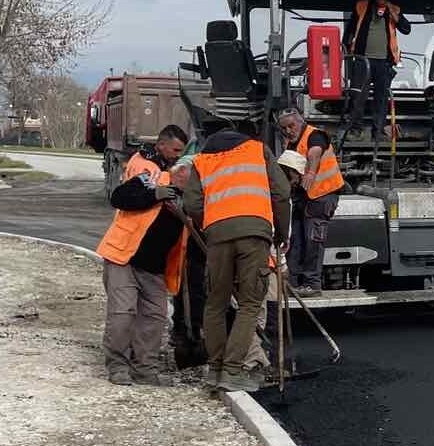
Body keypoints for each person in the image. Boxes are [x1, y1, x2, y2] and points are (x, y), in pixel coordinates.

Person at [182, 121, 291, 393]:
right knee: (250, 303)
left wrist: (211, 225)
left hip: (217, 235)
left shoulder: (201, 159)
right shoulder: (257, 150)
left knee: (215, 303)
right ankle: (233, 371)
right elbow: (282, 192)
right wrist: (281, 232)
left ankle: (215, 369)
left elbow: (191, 204)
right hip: (254, 232)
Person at [95, 125, 189, 386]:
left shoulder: (187, 197)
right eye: (176, 152)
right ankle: (118, 366)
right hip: (124, 256)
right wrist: (154, 195)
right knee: (123, 313)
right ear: (161, 145)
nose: (179, 161)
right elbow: (120, 197)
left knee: (155, 317)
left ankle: (145, 369)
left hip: (154, 266)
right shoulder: (150, 176)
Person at [276, 107, 344, 297]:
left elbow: (314, 153)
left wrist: (311, 172)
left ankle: (312, 284)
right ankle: (293, 282)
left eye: (291, 125)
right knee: (295, 239)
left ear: (300, 121)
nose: (289, 130)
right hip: (304, 198)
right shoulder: (291, 143)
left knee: (313, 240)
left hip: (323, 196)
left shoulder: (315, 135)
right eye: (285, 128)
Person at [343, 0, 411, 133]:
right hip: (363, 61)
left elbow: (406, 29)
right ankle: (356, 129)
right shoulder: (361, 6)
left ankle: (378, 131)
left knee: (381, 99)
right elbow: (350, 31)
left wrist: (395, 15)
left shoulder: (395, 9)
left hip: (384, 62)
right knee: (358, 96)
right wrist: (345, 52)